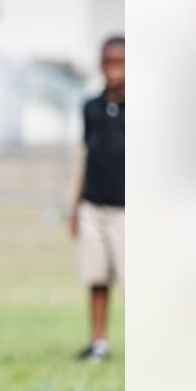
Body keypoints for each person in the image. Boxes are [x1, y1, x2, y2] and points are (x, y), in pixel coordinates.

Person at [70, 36, 124, 361]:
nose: (115, 71)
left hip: (128, 209)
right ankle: (98, 341)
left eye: (122, 64)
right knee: (97, 276)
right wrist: (75, 205)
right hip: (93, 204)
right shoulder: (91, 107)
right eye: (109, 63)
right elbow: (83, 156)